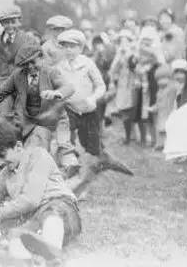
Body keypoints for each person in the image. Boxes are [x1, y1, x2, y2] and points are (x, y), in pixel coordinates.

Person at [0, 120, 82, 266]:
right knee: (16, 234)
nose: (0, 163)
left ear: (18, 146)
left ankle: (52, 252)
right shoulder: (5, 174)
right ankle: (24, 260)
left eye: (2, 155)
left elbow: (31, 200)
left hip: (62, 209)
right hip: (35, 218)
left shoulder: (38, 155)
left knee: (52, 215)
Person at [0, 42, 77, 170]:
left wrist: (56, 93)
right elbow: (0, 92)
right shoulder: (18, 75)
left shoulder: (51, 72)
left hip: (49, 120)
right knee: (11, 141)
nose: (30, 67)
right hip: (27, 121)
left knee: (44, 152)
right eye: (25, 64)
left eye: (33, 62)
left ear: (41, 57)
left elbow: (69, 87)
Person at [55, 29, 134, 176]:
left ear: (81, 48)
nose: (69, 50)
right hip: (69, 109)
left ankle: (106, 160)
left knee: (91, 146)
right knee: (64, 137)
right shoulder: (59, 67)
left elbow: (101, 86)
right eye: (65, 46)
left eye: (73, 47)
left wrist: (92, 98)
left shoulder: (87, 63)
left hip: (88, 110)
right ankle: (69, 166)